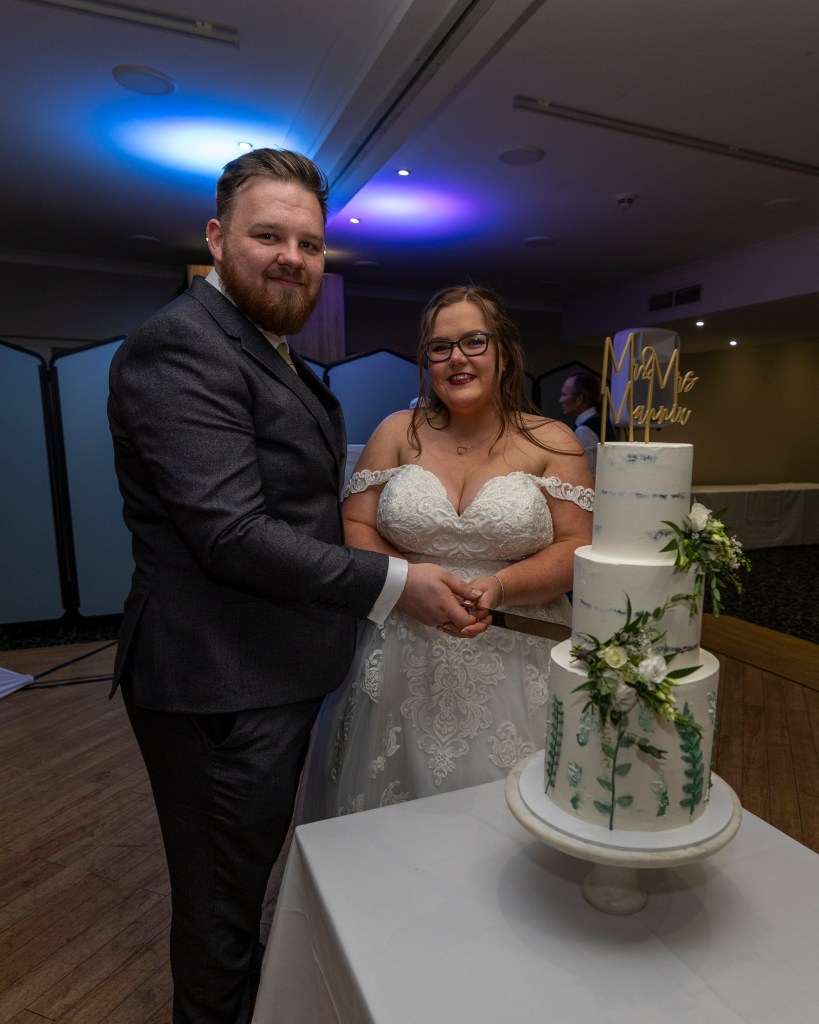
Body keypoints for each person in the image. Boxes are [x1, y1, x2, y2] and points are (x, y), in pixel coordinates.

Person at [107, 149, 485, 1024]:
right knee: (219, 914)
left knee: (239, 892)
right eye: (268, 235)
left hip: (266, 669)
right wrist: (394, 583)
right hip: (216, 683)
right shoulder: (180, 346)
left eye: (309, 244)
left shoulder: (270, 354)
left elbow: (296, 509)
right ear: (216, 238)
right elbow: (231, 533)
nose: (291, 257)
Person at [297, 284, 594, 822]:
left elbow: (578, 546)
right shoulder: (396, 431)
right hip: (400, 654)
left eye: (474, 341)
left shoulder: (553, 441)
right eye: (440, 346)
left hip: (516, 651)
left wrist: (498, 587)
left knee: (512, 819)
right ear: (426, 361)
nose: (456, 357)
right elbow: (354, 522)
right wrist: (406, 581)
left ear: (503, 353)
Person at [558, 371, 602, 472]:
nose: (560, 400)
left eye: (564, 395)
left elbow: (587, 471)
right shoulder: (599, 420)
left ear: (579, 399)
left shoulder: (584, 430)